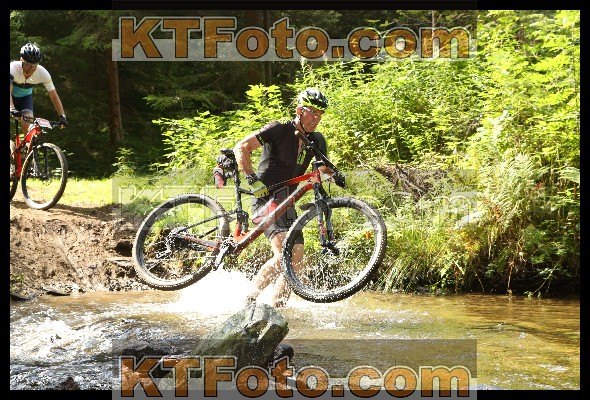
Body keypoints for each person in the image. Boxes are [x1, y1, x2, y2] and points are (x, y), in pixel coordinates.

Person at [233, 88, 344, 308]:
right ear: (299, 111)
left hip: (288, 201)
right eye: (312, 112)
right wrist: (252, 180)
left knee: (297, 260)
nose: (316, 118)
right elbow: (242, 147)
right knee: (285, 253)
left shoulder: (316, 139)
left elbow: (322, 169)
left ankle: (277, 309)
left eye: (320, 114)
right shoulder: (280, 128)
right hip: (265, 198)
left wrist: (334, 176)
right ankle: (248, 301)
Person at [10, 42, 68, 136]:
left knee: (28, 126)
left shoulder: (43, 73)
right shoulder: (12, 68)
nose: (31, 68)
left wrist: (62, 116)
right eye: (28, 64)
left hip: (24, 99)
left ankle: (30, 146)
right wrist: (11, 108)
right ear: (21, 60)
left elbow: (54, 96)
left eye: (34, 65)